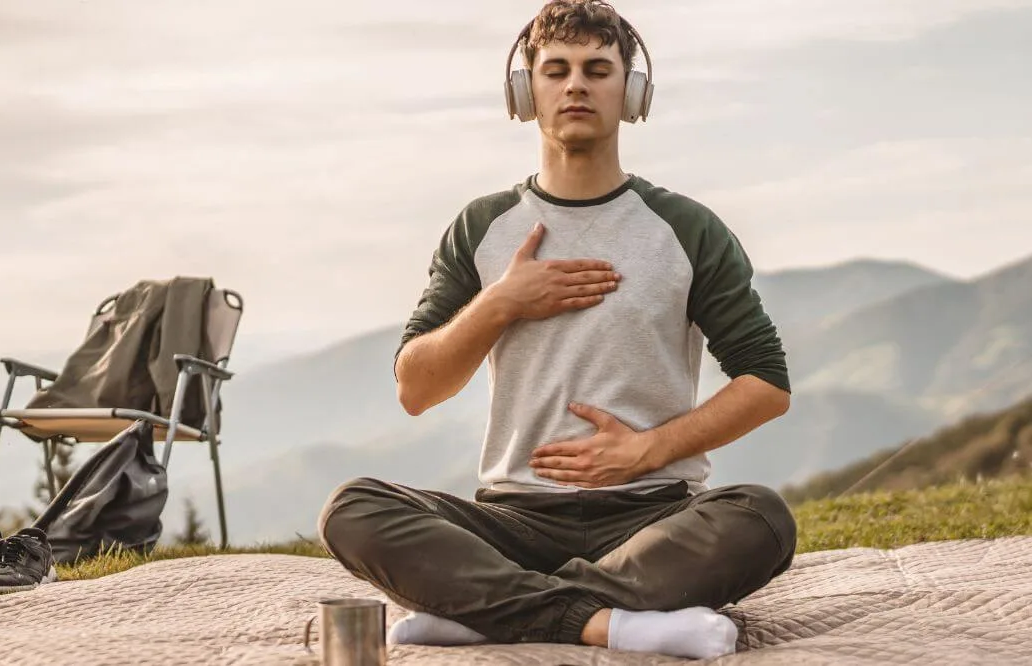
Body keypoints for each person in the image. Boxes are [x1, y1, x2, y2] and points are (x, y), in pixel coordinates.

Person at [317, 0, 796, 660]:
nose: (575, 84)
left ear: (629, 93)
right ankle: (608, 621)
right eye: (557, 69)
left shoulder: (687, 228)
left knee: (760, 518)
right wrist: (500, 303)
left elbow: (766, 384)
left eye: (598, 69)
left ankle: (490, 612)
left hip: (653, 515)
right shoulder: (480, 227)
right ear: (525, 91)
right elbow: (416, 388)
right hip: (510, 519)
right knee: (353, 509)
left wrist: (647, 451)